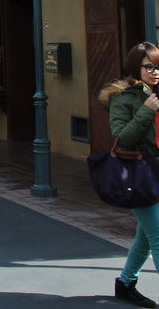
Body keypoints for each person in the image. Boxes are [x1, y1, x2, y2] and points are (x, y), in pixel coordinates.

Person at [101, 42, 159, 308]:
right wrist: (147, 109)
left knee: (145, 237)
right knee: (158, 236)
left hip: (156, 170)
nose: (155, 72)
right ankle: (126, 283)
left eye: (158, 67)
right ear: (136, 68)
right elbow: (122, 138)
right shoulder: (124, 98)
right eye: (149, 67)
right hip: (139, 174)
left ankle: (126, 283)